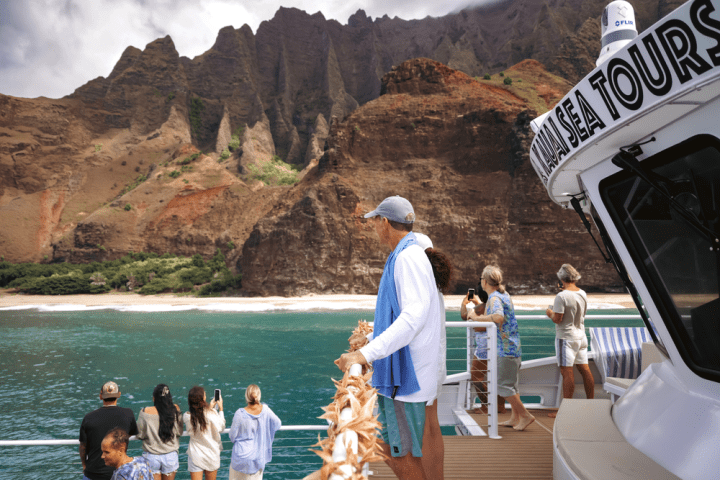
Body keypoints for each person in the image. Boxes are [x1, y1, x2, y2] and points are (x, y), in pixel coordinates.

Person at [336, 196, 444, 480]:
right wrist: (371, 336)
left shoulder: (407, 258)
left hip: (404, 380)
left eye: (374, 221)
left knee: (403, 458)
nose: (373, 227)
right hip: (408, 376)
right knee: (401, 453)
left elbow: (411, 319)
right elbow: (405, 316)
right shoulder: (411, 255)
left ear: (385, 222)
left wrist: (363, 355)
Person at [467, 265, 535, 431]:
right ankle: (515, 417)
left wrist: (477, 318)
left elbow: (498, 317)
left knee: (502, 386)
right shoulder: (504, 295)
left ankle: (525, 415)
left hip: (504, 349)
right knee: (511, 386)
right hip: (513, 347)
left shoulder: (494, 299)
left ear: (484, 281)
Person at [545, 264, 594, 418]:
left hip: (566, 338)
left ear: (561, 278)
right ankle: (591, 404)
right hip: (581, 337)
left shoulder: (561, 296)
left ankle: (566, 410)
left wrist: (549, 312)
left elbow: (557, 319)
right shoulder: (583, 293)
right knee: (585, 369)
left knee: (567, 372)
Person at [80, 381, 139, 480]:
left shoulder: (88, 417)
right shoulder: (128, 414)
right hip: (120, 472)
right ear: (119, 395)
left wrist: (84, 466)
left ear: (100, 396)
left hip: (92, 474)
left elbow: (83, 447)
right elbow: (129, 435)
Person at [461, 286, 507, 414]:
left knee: (476, 376)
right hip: (499, 345)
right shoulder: (496, 307)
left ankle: (486, 405)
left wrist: (464, 303)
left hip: (484, 348)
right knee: (498, 378)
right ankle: (500, 406)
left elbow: (464, 315)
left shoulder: (481, 309)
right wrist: (476, 303)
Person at [228, 384, 282, 480]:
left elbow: (232, 436)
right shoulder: (266, 410)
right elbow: (278, 423)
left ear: (247, 396)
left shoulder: (239, 414)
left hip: (240, 458)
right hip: (258, 458)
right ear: (259, 395)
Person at [136, 384, 183, 480]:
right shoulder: (175, 410)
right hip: (170, 456)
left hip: (151, 457)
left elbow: (140, 434)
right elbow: (179, 432)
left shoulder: (145, 412)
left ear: (154, 398)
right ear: (169, 397)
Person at [183, 386, 226, 480]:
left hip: (196, 455)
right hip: (211, 455)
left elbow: (201, 416)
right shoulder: (211, 414)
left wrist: (210, 408)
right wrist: (221, 409)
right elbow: (221, 426)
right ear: (203, 399)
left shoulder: (187, 416)